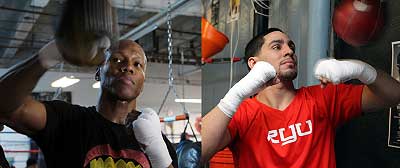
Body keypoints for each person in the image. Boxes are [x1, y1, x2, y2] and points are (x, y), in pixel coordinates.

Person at [201, 28, 400, 167]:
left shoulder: (322, 99)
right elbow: (201, 153)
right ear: (254, 63)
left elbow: (394, 95)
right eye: (277, 47)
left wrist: (360, 69)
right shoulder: (242, 114)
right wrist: (237, 93)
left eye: (291, 47)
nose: (289, 51)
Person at [0, 39, 178, 168]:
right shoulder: (65, 120)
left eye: (137, 64)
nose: (128, 67)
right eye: (116, 59)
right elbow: (6, 104)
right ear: (99, 72)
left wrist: (159, 154)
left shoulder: (156, 140)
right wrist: (52, 52)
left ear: (143, 80)